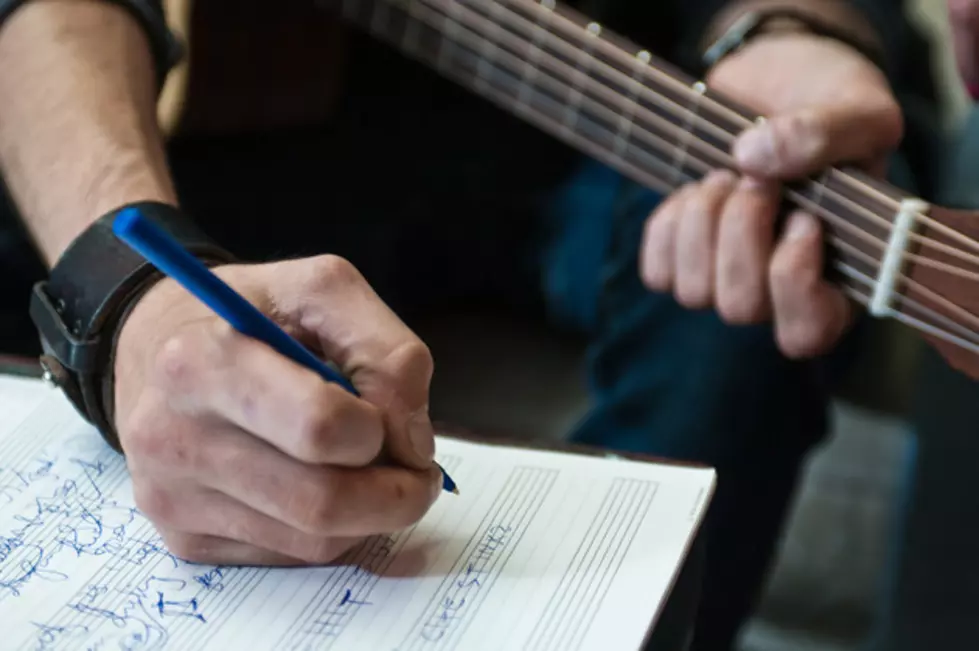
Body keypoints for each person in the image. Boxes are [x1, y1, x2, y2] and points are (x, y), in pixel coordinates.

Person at [0, 0, 941, 648]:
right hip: (217, 140)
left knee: (775, 244)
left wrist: (793, 24)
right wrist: (121, 287)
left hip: (577, 124)